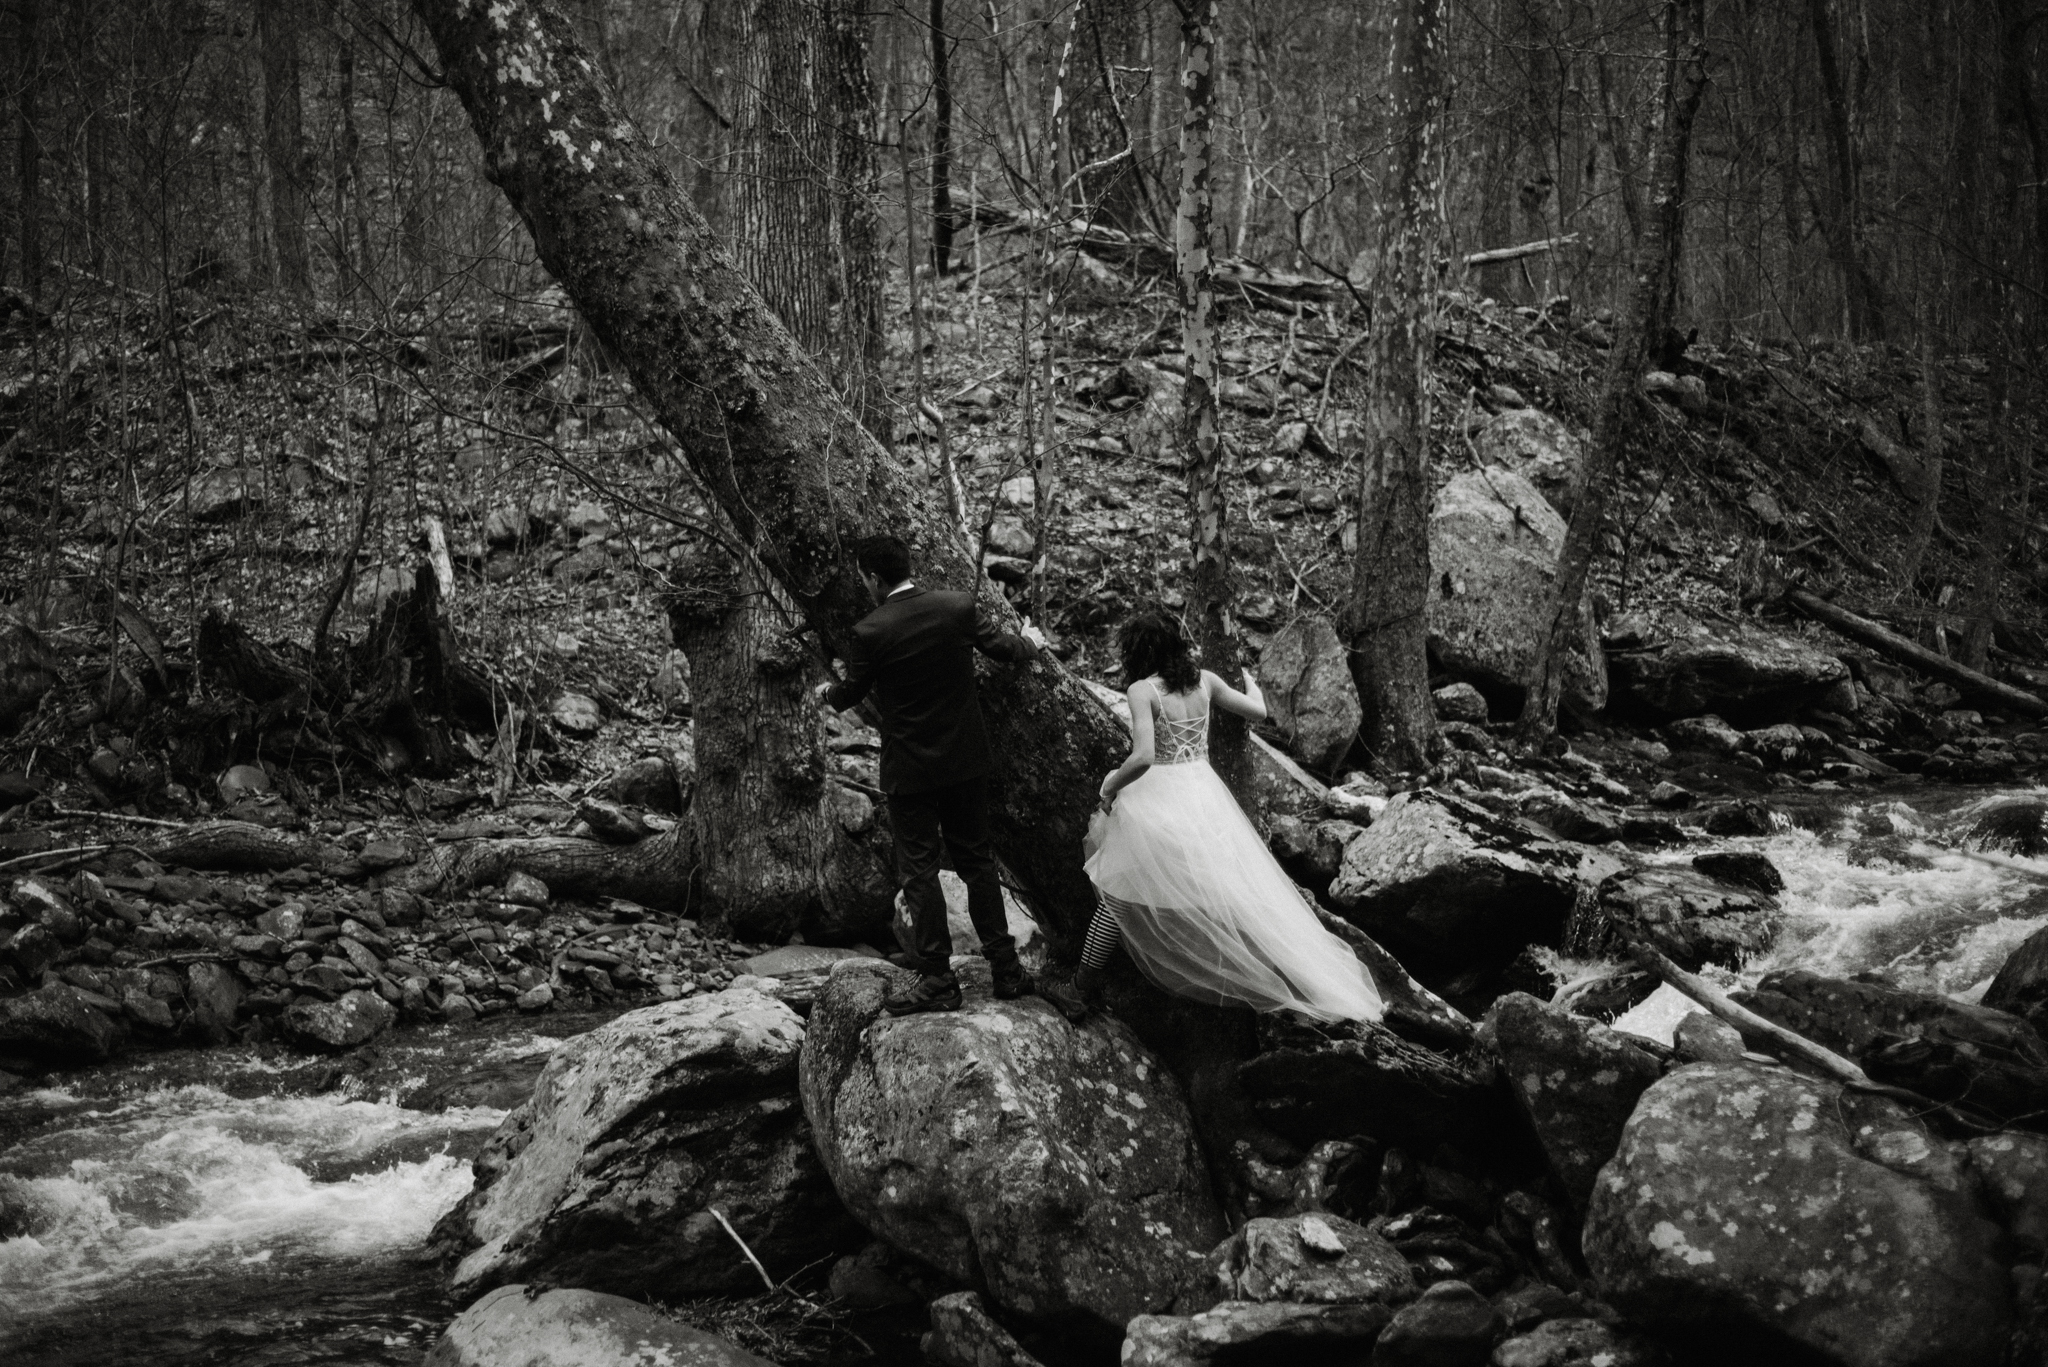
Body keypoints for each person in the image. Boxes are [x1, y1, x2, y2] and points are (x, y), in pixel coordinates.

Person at [1041, 606, 1384, 1024]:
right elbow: (1258, 711)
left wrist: (1110, 784)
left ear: (1137, 653)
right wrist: (1250, 679)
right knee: (1230, 893)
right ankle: (1283, 976)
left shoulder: (1142, 691)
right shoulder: (1205, 682)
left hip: (1158, 802)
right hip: (1203, 795)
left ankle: (1080, 990)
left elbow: (1145, 756)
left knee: (1116, 895)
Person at [824, 534, 1046, 1015]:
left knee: (919, 872)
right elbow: (1004, 649)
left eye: (864, 578)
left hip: (911, 771)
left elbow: (848, 695)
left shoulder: (869, 632)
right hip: (966, 760)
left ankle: (938, 980)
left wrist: (827, 691)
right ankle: (1006, 970)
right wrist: (1030, 642)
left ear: (875, 578)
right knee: (978, 863)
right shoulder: (956, 607)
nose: (864, 586)